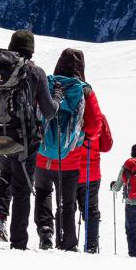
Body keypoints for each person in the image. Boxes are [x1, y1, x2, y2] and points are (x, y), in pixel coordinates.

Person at [0, 29, 61, 250]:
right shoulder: (35, 72)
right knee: (22, 188)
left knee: (6, 174)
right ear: (31, 50)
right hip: (24, 141)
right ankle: (18, 243)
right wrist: (58, 97)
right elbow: (49, 112)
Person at [35, 48, 102, 251]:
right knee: (66, 202)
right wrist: (83, 137)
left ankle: (45, 232)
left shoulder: (46, 83)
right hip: (70, 157)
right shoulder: (84, 90)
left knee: (43, 192)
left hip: (42, 153)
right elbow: (95, 125)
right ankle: (66, 243)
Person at [76, 113, 113, 253]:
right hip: (91, 173)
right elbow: (106, 145)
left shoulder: (66, 109)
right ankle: (91, 247)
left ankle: (65, 243)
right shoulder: (98, 117)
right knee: (91, 210)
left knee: (66, 208)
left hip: (68, 169)